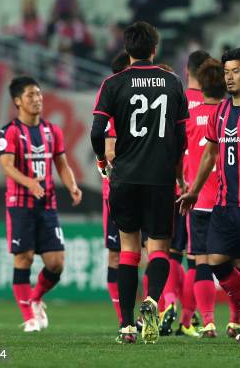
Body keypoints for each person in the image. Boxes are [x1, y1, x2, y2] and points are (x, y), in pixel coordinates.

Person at [90, 21, 188, 344]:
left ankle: (127, 326)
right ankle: (152, 301)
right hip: (160, 178)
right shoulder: (173, 83)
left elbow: (96, 132)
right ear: (155, 49)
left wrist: (104, 163)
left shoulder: (113, 84)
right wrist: (178, 176)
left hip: (125, 178)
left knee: (128, 250)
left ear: (127, 50)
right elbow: (181, 139)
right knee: (159, 247)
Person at [178, 47, 240, 344]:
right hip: (224, 203)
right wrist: (194, 191)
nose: (230, 77)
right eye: (226, 72)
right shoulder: (220, 111)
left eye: (236, 71)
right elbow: (210, 154)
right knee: (217, 262)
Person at [0, 76, 82, 332]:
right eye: (30, 95)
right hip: (20, 204)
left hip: (47, 205)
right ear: (17, 102)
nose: (37, 99)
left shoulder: (52, 131)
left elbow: (62, 164)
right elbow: (6, 166)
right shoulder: (10, 132)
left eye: (38, 94)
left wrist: (72, 186)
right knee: (23, 258)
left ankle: (35, 299)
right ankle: (30, 317)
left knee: (56, 263)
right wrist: (30, 183)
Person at [158, 50, 211, 338]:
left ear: (187, 70)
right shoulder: (217, 105)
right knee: (196, 258)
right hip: (201, 191)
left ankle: (167, 304)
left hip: (171, 185)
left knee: (168, 253)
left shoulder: (174, 101)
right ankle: (188, 320)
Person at [182, 57, 227, 338]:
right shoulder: (231, 114)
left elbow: (179, 153)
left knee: (199, 262)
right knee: (233, 262)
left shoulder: (189, 114)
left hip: (195, 196)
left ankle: (206, 321)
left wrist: (182, 183)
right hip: (227, 199)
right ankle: (238, 319)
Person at [98, 51, 130, 326]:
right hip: (118, 192)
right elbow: (109, 151)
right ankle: (124, 319)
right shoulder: (113, 111)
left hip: (145, 187)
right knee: (118, 253)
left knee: (150, 251)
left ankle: (150, 313)